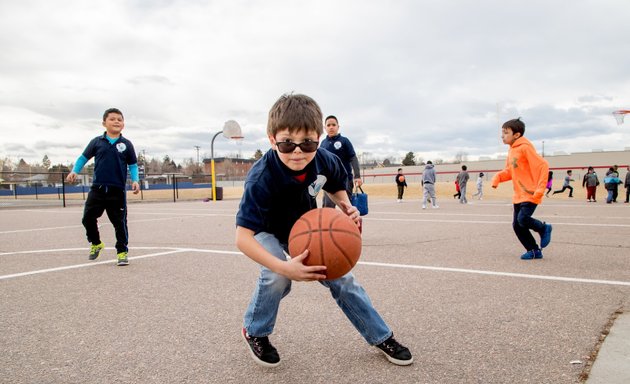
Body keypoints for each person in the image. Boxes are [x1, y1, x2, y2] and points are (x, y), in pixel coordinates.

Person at [235, 93, 412, 368]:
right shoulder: (261, 177)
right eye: (286, 143)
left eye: (307, 143)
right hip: (266, 230)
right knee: (276, 276)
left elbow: (335, 185)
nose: (297, 151)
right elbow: (242, 237)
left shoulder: (324, 159)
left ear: (318, 138)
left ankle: (381, 336)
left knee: (344, 280)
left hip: (309, 229)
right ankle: (255, 331)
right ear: (272, 140)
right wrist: (285, 268)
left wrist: (345, 205)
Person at [66, 108, 140, 266]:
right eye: (112, 119)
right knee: (87, 218)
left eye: (119, 119)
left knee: (119, 223)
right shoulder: (97, 142)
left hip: (117, 191)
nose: (116, 122)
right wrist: (74, 171)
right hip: (98, 189)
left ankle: (122, 252)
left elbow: (133, 165)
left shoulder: (126, 144)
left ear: (123, 124)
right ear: (104, 123)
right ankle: (96, 242)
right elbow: (83, 158)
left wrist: (135, 180)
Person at [491, 118, 552, 260]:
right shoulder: (511, 151)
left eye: (506, 133)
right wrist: (498, 177)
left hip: (531, 192)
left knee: (523, 219)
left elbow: (543, 166)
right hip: (519, 194)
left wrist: (540, 189)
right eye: (502, 133)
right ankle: (534, 250)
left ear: (517, 135)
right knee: (517, 225)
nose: (502, 136)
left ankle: (543, 228)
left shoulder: (525, 147)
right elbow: (510, 171)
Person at [319, 115, 362, 208]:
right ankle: (328, 223)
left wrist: (357, 176)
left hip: (345, 180)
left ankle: (350, 223)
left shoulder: (344, 141)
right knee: (328, 208)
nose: (331, 127)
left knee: (347, 208)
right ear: (324, 127)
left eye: (334, 125)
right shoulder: (323, 144)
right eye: (329, 125)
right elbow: (319, 164)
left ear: (338, 127)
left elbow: (353, 158)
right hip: (328, 181)